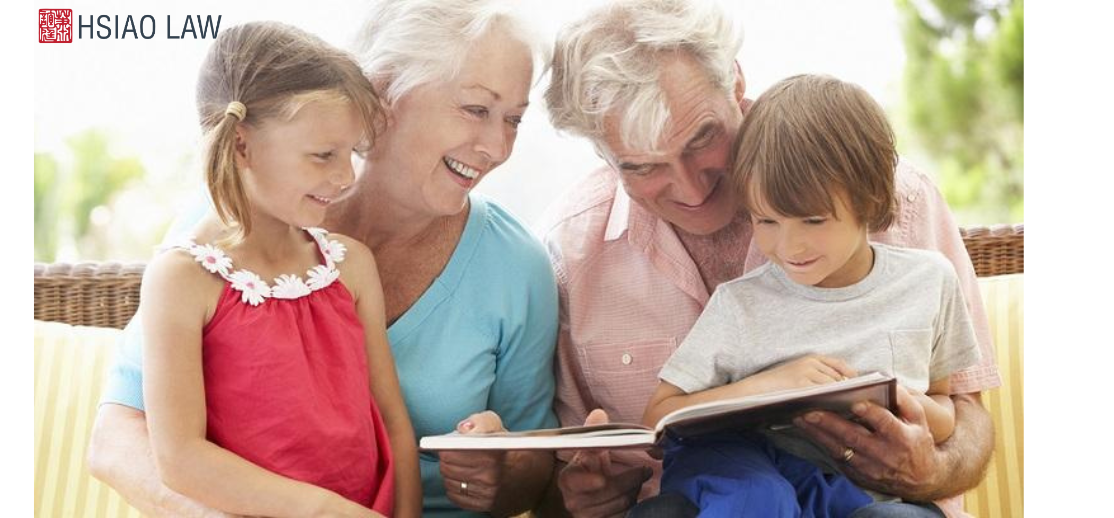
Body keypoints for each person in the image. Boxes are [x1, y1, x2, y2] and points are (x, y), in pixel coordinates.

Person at [87, 2, 559, 517]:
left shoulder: (515, 267)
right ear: (382, 92)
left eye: (513, 119)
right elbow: (118, 438)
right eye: (475, 108)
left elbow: (536, 474)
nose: (496, 146)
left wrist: (498, 469)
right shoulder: (224, 223)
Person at [538, 1, 1001, 517]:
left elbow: (966, 415)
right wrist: (574, 492)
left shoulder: (894, 196)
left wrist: (928, 468)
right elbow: (557, 478)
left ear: (734, 82)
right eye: (643, 167)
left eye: (702, 138)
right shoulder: (572, 252)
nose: (691, 189)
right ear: (603, 154)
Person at [641, 74, 982, 518]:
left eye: (813, 221)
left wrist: (897, 406)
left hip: (854, 492)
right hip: (750, 473)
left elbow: (945, 406)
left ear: (870, 197)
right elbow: (658, 419)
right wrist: (771, 383)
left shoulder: (929, 281)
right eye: (766, 222)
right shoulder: (740, 304)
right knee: (757, 501)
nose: (789, 247)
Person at [136, 21, 419, 517]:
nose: (346, 176)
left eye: (351, 154)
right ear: (242, 146)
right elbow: (179, 458)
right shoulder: (181, 280)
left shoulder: (350, 266)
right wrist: (322, 511)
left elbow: (394, 422)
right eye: (323, 156)